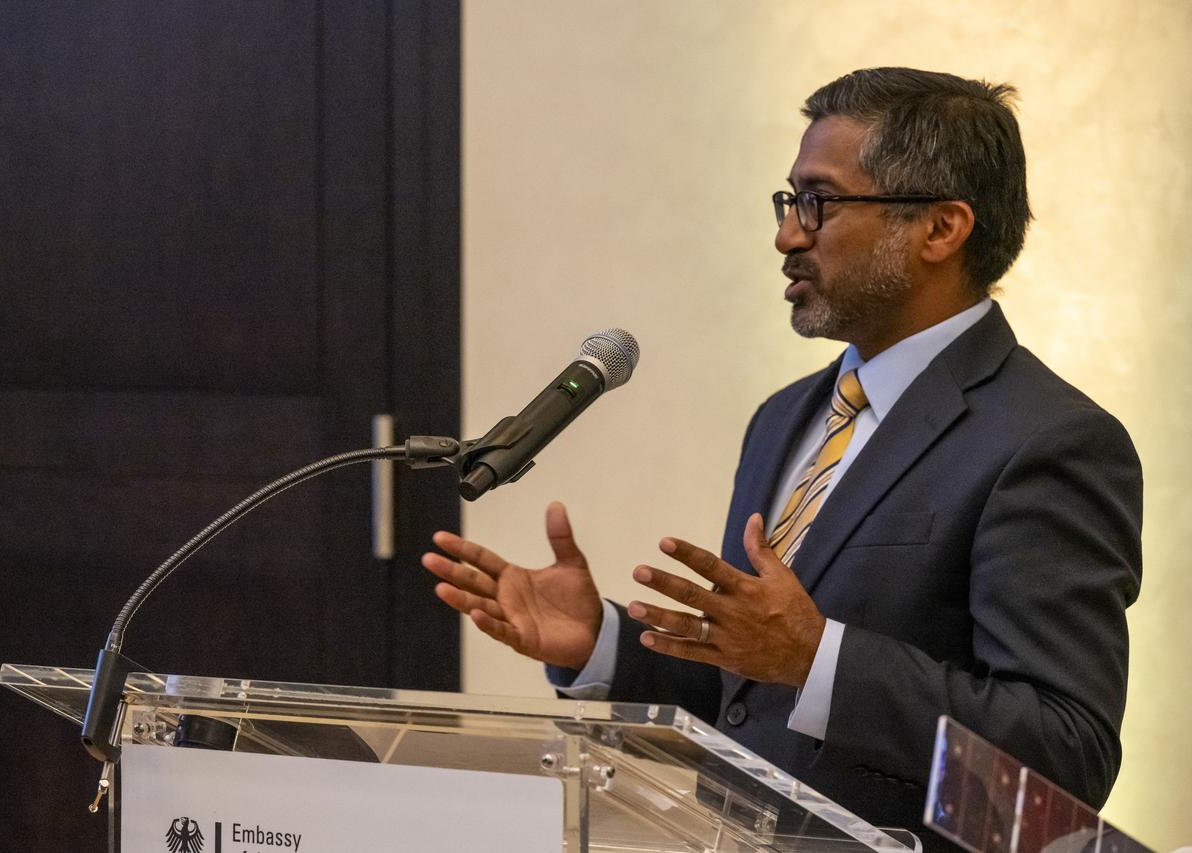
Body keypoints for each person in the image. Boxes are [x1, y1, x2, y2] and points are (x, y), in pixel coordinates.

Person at [421, 68, 1142, 842]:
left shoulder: (1047, 440)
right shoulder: (785, 418)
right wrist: (604, 644)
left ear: (940, 228)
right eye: (789, 200)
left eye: (819, 202)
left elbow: (1066, 753)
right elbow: (750, 692)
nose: (788, 233)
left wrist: (820, 658)